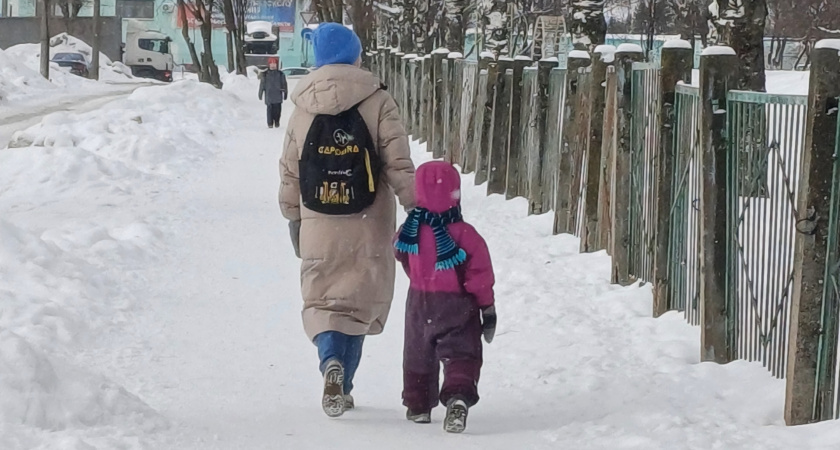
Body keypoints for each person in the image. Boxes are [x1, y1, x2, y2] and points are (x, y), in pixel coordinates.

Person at [278, 23, 416, 418]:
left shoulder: (303, 106)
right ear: (356, 55)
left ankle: (330, 363)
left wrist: (293, 216)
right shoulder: (378, 100)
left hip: (318, 216)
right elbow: (397, 161)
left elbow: (290, 169)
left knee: (324, 301)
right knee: (357, 303)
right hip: (367, 216)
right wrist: (418, 205)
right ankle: (345, 379)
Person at [394, 161, 496, 434]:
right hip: (457, 305)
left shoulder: (411, 229)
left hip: (420, 302)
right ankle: (458, 397)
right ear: (456, 192)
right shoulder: (466, 235)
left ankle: (418, 405)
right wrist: (487, 308)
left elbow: (400, 253)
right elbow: (480, 275)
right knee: (461, 354)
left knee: (418, 353)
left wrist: (419, 277)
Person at [259, 57, 288, 128]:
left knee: (277, 110)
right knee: (269, 110)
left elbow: (284, 84)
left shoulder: (280, 74)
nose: (272, 65)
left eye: (274, 63)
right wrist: (260, 93)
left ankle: (277, 122)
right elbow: (262, 84)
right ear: (268, 65)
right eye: (271, 63)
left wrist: (285, 93)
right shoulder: (265, 74)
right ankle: (270, 123)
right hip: (269, 96)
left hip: (278, 95)